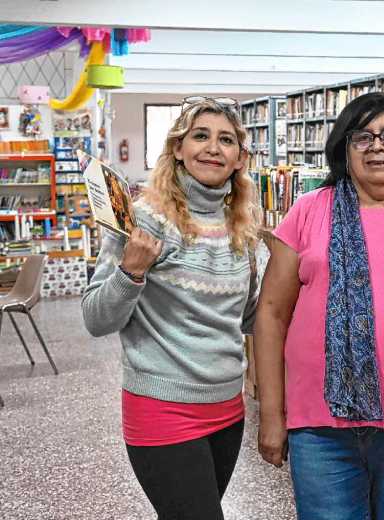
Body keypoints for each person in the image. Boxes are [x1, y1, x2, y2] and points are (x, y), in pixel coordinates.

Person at [255, 92, 384, 520]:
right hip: (321, 428)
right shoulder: (308, 211)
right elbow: (270, 314)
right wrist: (272, 413)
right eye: (362, 137)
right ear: (345, 147)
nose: (377, 146)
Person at [82, 96, 260, 519]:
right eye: (200, 136)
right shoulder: (145, 220)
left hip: (227, 409)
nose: (213, 148)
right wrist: (130, 272)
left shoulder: (243, 229)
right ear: (178, 148)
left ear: (240, 158)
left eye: (226, 140)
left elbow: (248, 318)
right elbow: (94, 318)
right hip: (163, 409)